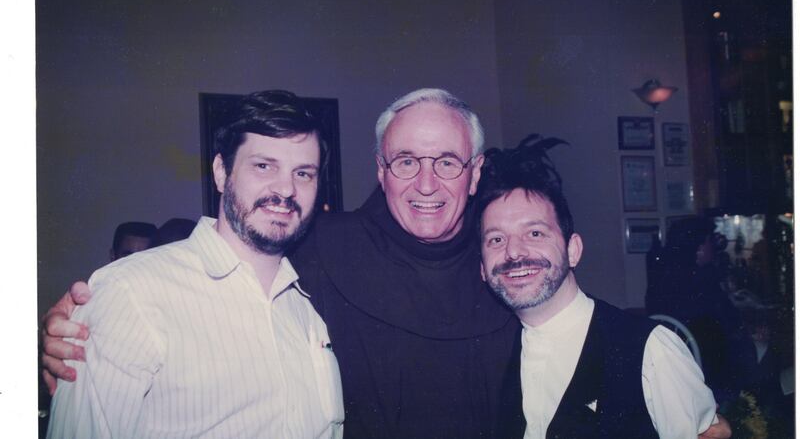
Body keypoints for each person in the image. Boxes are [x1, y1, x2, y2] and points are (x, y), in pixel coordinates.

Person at [42, 89, 730, 439]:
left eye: (446, 162)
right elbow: (204, 255)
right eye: (406, 160)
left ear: (474, 171)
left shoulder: (503, 265)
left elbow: (582, 339)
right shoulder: (316, 242)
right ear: (381, 168)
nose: (425, 183)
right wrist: (78, 320)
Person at [46, 90, 344, 438]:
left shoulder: (306, 308)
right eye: (264, 166)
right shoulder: (131, 293)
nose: (286, 188)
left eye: (304, 174)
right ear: (221, 172)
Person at [477, 136, 722, 438]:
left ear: (573, 251)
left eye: (535, 233)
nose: (514, 252)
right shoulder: (490, 356)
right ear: (483, 270)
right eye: (496, 239)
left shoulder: (651, 351)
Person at [646, 216, 758, 406]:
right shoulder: (704, 279)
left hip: (679, 365)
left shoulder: (663, 275)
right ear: (698, 247)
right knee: (761, 350)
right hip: (709, 366)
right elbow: (729, 323)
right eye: (709, 241)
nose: (713, 246)